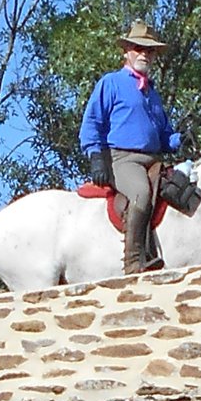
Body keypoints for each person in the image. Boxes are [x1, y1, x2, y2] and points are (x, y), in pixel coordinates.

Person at [78, 22, 182, 274]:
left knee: (183, 188)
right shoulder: (111, 83)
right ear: (127, 51)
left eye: (150, 50)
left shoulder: (152, 93)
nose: (144, 54)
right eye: (138, 48)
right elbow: (92, 121)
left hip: (154, 160)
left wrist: (181, 139)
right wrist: (95, 155)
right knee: (140, 194)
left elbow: (164, 137)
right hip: (122, 159)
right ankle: (134, 263)